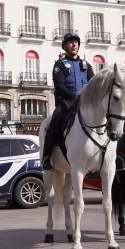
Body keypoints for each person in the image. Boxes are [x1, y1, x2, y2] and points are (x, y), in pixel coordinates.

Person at [42, 32, 94, 170]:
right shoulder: (60, 64)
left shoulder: (86, 65)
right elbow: (59, 85)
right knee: (55, 120)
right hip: (67, 102)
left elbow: (93, 83)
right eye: (70, 42)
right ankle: (47, 156)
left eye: (76, 42)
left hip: (86, 102)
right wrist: (74, 96)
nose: (74, 44)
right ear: (65, 46)